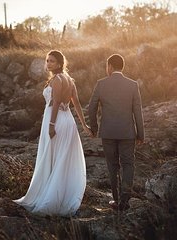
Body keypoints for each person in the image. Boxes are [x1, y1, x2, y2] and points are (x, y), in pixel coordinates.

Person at [13, 50, 92, 216]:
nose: (48, 64)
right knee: (61, 159)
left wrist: (51, 125)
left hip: (56, 121)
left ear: (59, 63)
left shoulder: (57, 79)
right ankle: (60, 195)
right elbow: (76, 103)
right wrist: (83, 124)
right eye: (47, 61)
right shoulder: (70, 79)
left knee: (53, 157)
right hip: (68, 121)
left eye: (52, 61)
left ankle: (50, 198)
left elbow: (56, 103)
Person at [88, 54, 144, 211]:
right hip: (127, 133)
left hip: (108, 133)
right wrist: (141, 134)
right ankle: (125, 200)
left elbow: (91, 108)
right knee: (128, 164)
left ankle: (116, 200)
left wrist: (94, 128)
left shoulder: (101, 84)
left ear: (110, 66)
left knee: (112, 166)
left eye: (107, 67)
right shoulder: (133, 85)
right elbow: (137, 112)